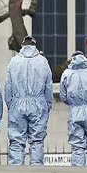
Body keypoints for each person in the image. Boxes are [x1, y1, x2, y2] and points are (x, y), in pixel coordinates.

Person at [5, 36, 53, 166]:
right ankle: (36, 171)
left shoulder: (14, 61)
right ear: (35, 45)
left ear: (22, 46)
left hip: (17, 103)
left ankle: (16, 170)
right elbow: (48, 86)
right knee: (37, 140)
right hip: (38, 103)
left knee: (16, 141)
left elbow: (8, 86)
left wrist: (11, 105)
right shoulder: (43, 61)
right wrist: (47, 105)